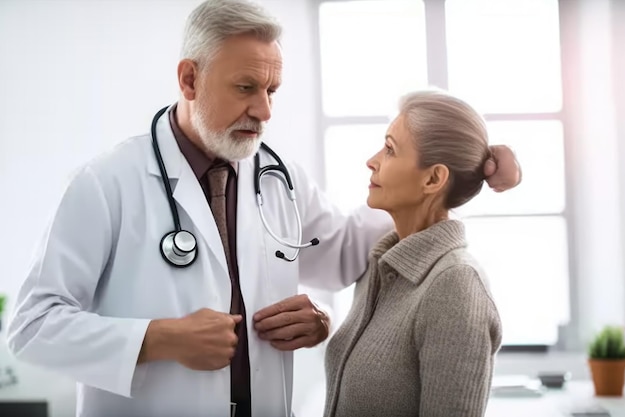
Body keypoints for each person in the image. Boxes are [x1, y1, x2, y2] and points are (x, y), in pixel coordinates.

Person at [6, 1, 519, 417]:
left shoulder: (279, 176)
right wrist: (157, 339)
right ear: (189, 80)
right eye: (246, 88)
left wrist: (471, 165)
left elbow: (342, 254)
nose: (265, 110)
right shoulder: (106, 184)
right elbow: (30, 328)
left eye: (272, 90)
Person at [324, 90, 504, 417]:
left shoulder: (455, 286)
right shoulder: (380, 265)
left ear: (433, 178)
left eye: (390, 150)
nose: (372, 160)